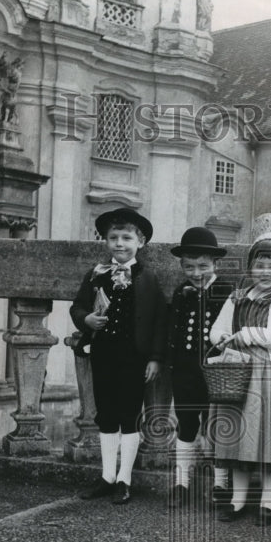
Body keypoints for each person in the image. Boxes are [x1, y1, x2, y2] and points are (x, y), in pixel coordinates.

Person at [208, 213, 271, 525]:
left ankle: (268, 501)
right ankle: (237, 500)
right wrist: (222, 338)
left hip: (265, 380)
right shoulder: (238, 298)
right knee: (236, 439)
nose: (266, 272)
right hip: (236, 377)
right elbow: (215, 330)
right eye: (260, 265)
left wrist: (251, 334)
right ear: (251, 267)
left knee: (265, 441)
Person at [71, 208, 167, 505]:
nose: (119, 243)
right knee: (107, 414)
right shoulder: (96, 274)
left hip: (134, 358)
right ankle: (106, 476)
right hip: (104, 354)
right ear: (106, 241)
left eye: (127, 238)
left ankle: (124, 479)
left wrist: (154, 358)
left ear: (140, 243)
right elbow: (78, 307)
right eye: (113, 237)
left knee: (129, 415)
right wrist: (86, 320)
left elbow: (158, 322)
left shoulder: (148, 278)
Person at [165, 227, 234, 507]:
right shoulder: (181, 292)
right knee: (186, 424)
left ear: (215, 264)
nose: (195, 273)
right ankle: (181, 482)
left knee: (217, 425)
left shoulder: (227, 291)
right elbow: (173, 330)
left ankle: (221, 484)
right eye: (189, 267)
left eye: (203, 266)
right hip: (184, 372)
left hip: (216, 373)